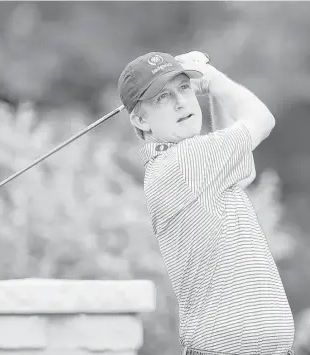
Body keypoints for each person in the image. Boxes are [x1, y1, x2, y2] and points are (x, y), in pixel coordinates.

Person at [118, 51, 295, 355]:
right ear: (140, 119)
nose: (180, 102)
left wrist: (211, 89)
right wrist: (211, 80)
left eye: (184, 87)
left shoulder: (191, 163)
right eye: (162, 97)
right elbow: (262, 119)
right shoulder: (185, 161)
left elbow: (244, 172)